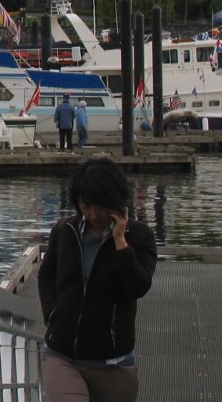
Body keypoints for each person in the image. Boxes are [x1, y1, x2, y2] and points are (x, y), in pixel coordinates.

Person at [39, 157, 157, 401]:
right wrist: (52, 314)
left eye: (101, 207)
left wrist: (120, 242)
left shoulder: (140, 236)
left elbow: (139, 286)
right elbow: (46, 275)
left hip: (113, 361)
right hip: (62, 355)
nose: (94, 214)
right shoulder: (64, 230)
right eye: (86, 206)